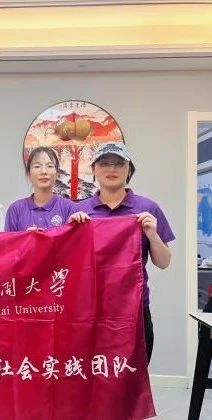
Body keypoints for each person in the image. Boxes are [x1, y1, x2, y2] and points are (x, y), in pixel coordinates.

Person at [68, 141, 175, 363]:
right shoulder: (79, 211)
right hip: (90, 310)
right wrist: (72, 232)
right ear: (94, 169)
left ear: (129, 169)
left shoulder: (147, 208)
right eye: (105, 163)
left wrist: (152, 235)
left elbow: (164, 262)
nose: (112, 169)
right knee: (92, 373)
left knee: (133, 375)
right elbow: (66, 265)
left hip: (134, 309)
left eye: (119, 163)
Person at [5, 146, 74, 232]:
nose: (44, 171)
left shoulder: (69, 208)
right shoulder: (16, 209)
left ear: (57, 173)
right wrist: (27, 237)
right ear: (28, 174)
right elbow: (9, 240)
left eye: (49, 166)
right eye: (37, 166)